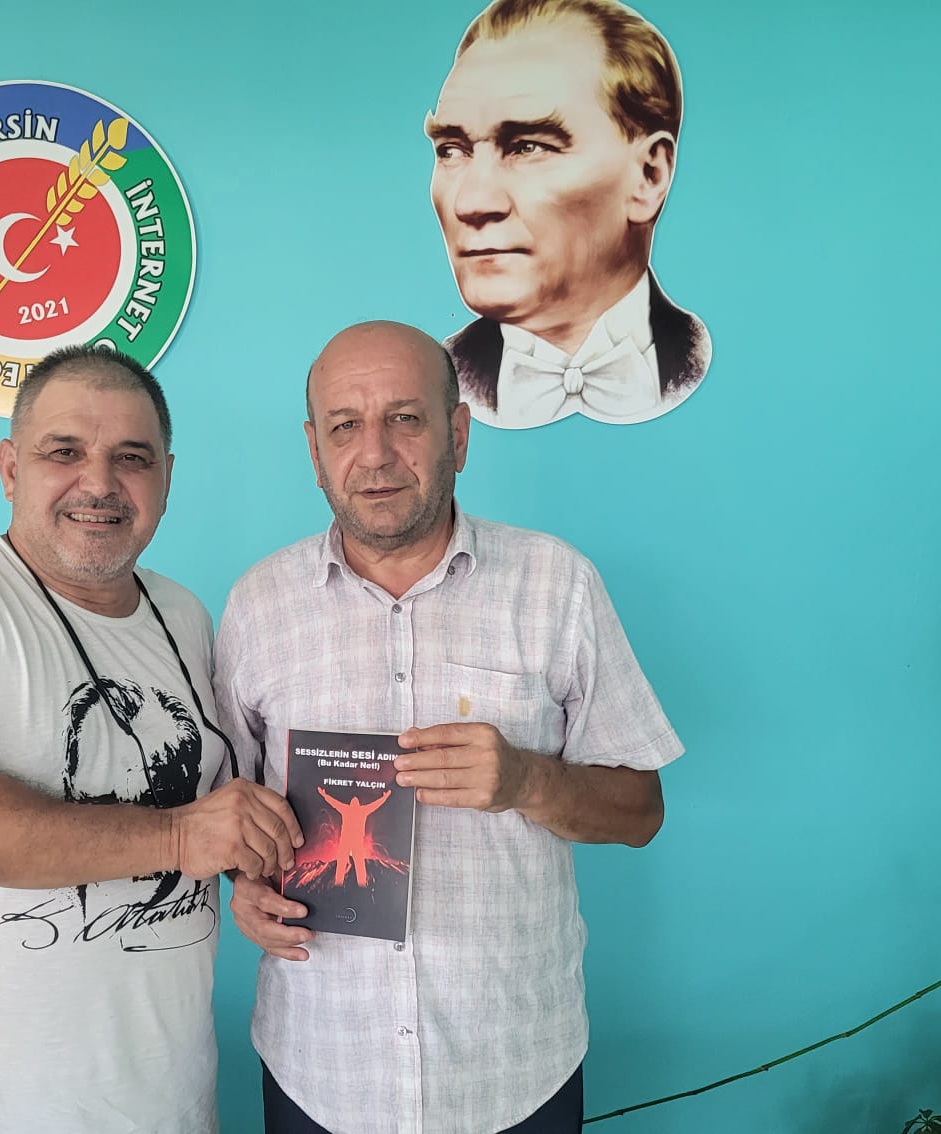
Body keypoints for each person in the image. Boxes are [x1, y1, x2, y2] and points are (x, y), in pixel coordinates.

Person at [216, 320, 682, 1133]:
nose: (376, 454)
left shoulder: (557, 585)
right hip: (321, 1066)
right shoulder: (258, 606)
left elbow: (640, 811)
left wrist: (527, 780)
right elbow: (233, 815)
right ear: (315, 452)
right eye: (345, 426)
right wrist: (246, 888)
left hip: (514, 1068)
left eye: (405, 418)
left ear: (457, 435)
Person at [0, 345, 302, 1134]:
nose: (100, 482)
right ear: (10, 468)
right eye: (64, 452)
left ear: (166, 478)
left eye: (132, 458)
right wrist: (183, 837)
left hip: (168, 1099)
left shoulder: (184, 615)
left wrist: (247, 873)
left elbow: (201, 813)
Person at [427, 0, 711, 430]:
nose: (470, 203)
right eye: (451, 150)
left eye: (528, 147)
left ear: (649, 175)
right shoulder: (432, 381)